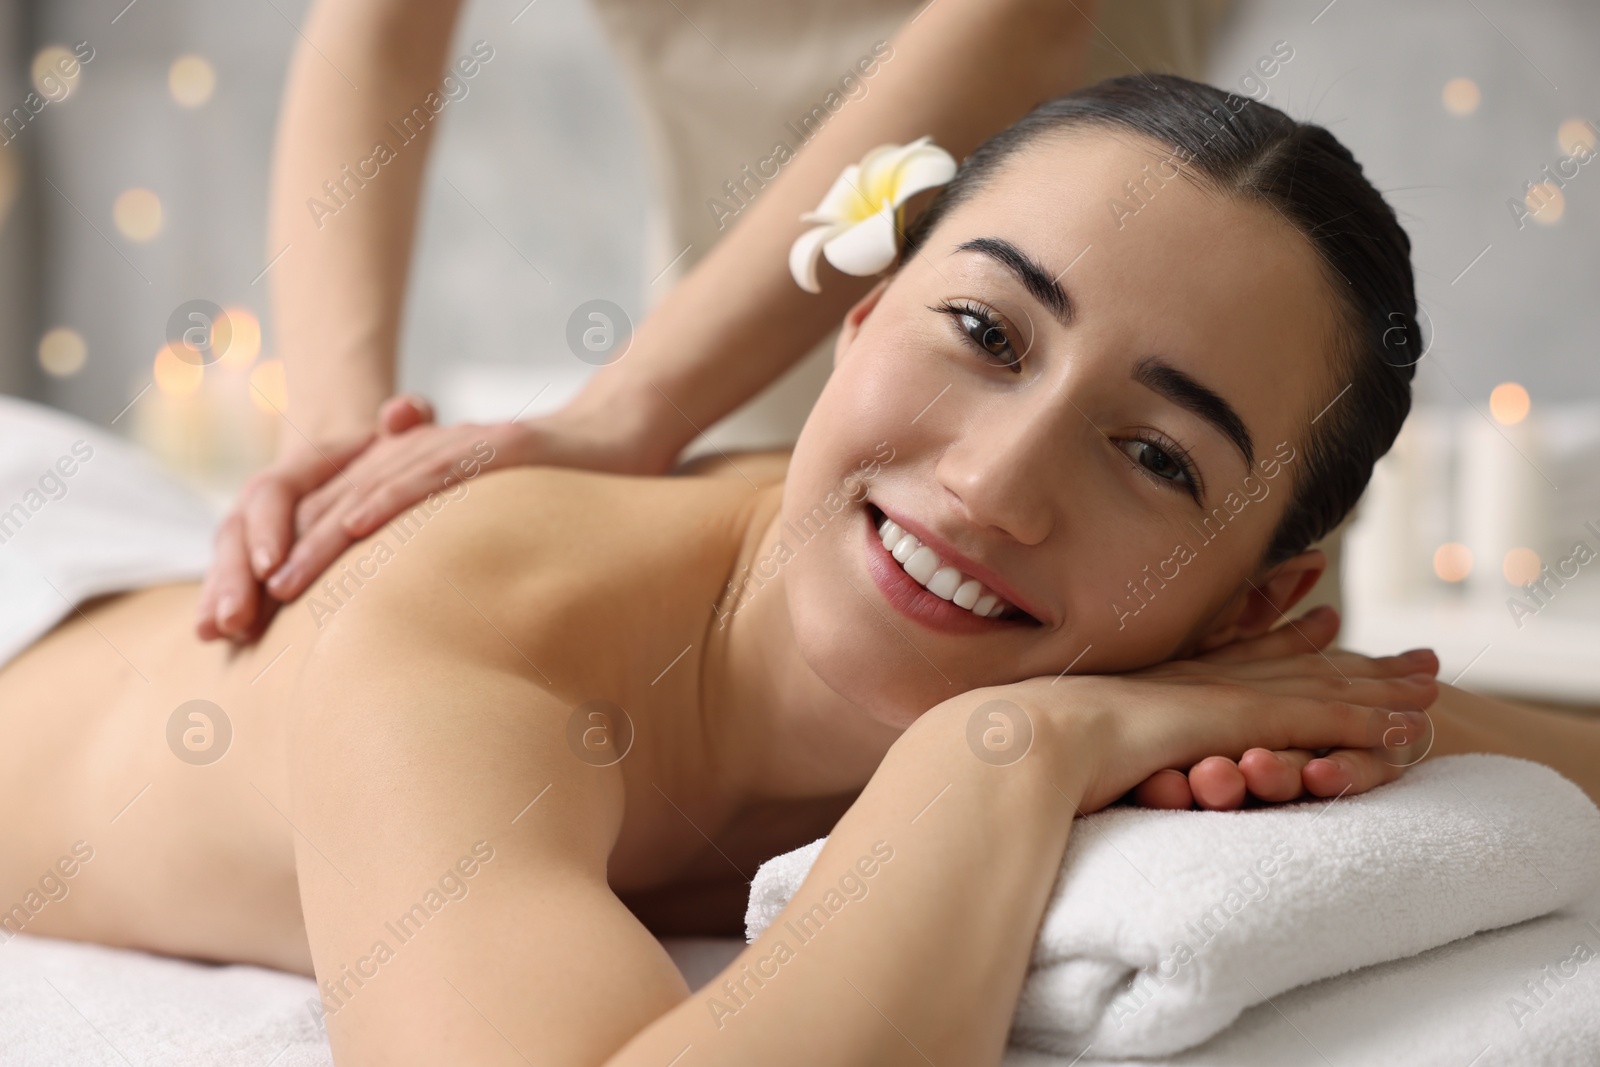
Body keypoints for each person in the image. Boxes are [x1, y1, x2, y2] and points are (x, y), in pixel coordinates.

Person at [0, 76, 1592, 1066]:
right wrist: (1004, 755)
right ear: (855, 324)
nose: (990, 484)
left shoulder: (1191, 679)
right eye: (982, 331)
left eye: (1159, 455)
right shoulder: (467, 622)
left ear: (1257, 606)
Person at [192, 0, 1237, 642]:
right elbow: (379, 31)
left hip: (1157, 376)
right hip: (722, 352)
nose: (988, 488)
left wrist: (629, 407)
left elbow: (1026, 18)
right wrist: (335, 434)